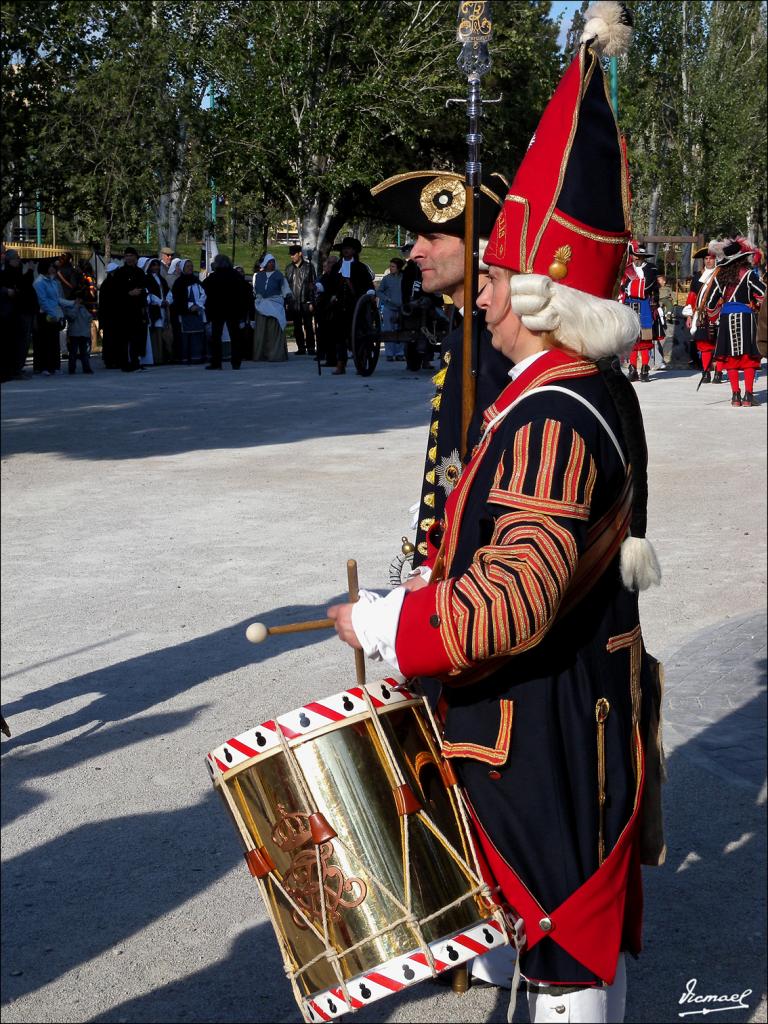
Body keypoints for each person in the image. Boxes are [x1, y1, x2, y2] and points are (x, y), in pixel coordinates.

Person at [329, 8, 665, 1023]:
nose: (481, 298)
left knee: (563, 948)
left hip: (548, 721)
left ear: (544, 294)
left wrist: (387, 623)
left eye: (502, 281)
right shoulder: (559, 392)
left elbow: (513, 603)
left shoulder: (557, 411)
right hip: (553, 706)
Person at [370, 169, 512, 563]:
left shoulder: (492, 341)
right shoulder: (471, 330)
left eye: (431, 238)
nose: (415, 252)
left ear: (477, 250)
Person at [706, 237, 766, 406]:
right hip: (746, 319)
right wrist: (755, 306)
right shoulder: (748, 275)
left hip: (726, 319)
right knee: (748, 357)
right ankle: (748, 396)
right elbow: (763, 294)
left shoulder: (720, 277)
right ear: (742, 258)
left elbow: (710, 304)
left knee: (731, 359)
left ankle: (735, 396)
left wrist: (716, 317)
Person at [324, 237, 374, 374]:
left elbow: (367, 285)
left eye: (349, 248)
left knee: (357, 336)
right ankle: (341, 364)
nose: (346, 250)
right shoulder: (336, 267)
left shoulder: (361, 267)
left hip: (356, 307)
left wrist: (368, 293)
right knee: (339, 336)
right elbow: (329, 285)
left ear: (354, 251)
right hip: (339, 307)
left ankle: (360, 362)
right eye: (344, 248)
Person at [682, 241, 724, 383]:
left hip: (718, 313)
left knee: (719, 344)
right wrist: (689, 315)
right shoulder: (697, 276)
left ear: (715, 259)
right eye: (706, 258)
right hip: (701, 314)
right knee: (703, 345)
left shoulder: (721, 274)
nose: (708, 260)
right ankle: (706, 372)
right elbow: (692, 297)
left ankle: (718, 372)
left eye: (711, 258)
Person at [619, 241, 658, 381]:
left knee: (645, 340)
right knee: (632, 340)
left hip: (645, 305)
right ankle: (633, 369)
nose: (636, 258)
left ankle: (645, 369)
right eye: (635, 255)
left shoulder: (651, 269)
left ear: (643, 257)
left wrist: (631, 287)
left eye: (639, 256)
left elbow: (645, 288)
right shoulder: (627, 269)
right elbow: (623, 287)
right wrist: (630, 287)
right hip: (629, 305)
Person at [202, 253, 248, 369]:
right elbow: (245, 291)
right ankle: (236, 362)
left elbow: (204, 289)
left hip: (217, 310)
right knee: (235, 336)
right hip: (233, 310)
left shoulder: (213, 277)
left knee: (216, 336)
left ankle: (216, 362)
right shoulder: (236, 276)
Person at [33, 258, 75, 375]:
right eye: (50, 266)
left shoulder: (53, 282)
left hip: (54, 315)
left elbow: (57, 299)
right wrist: (52, 314)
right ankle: (44, 367)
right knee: (45, 342)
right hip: (45, 315)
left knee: (54, 342)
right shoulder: (39, 282)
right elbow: (42, 301)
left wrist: (71, 303)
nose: (53, 268)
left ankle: (54, 366)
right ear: (45, 268)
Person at [0, 249, 37, 381]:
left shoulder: (17, 271)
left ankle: (16, 369)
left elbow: (25, 285)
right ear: (9, 260)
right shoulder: (7, 273)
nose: (18, 260)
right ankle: (14, 370)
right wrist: (30, 271)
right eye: (16, 258)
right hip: (14, 313)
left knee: (23, 342)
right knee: (18, 342)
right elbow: (22, 285)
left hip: (23, 310)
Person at [110, 248, 149, 372]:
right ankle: (124, 363)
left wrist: (141, 294)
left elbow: (144, 289)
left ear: (136, 257)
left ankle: (135, 361)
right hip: (124, 311)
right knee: (124, 339)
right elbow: (115, 292)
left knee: (136, 338)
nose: (129, 258)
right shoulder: (120, 273)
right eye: (127, 255)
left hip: (137, 310)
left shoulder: (140, 272)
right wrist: (129, 293)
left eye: (131, 255)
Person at [252, 254, 290, 361]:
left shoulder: (279, 275)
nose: (271, 264)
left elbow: (285, 289)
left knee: (273, 331)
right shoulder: (257, 276)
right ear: (265, 263)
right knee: (261, 331)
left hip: (275, 305)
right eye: (269, 262)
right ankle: (261, 354)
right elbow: (254, 290)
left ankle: (275, 355)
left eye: (273, 261)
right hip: (261, 305)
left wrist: (288, 297)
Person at [171, 259, 207, 364]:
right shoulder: (179, 283)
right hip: (185, 313)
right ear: (183, 268)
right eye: (187, 266)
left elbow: (203, 294)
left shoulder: (196, 281)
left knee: (197, 334)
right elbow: (178, 298)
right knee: (185, 336)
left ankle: (197, 357)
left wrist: (198, 305)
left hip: (198, 312)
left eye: (191, 266)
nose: (190, 268)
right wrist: (190, 306)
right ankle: (185, 358)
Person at [284, 245, 317, 355]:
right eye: (291, 255)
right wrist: (288, 302)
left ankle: (311, 347)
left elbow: (313, 285)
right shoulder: (289, 268)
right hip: (294, 301)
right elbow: (287, 286)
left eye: (294, 254)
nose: (292, 257)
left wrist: (312, 301)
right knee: (297, 326)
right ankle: (301, 347)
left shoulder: (309, 267)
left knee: (308, 325)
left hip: (305, 300)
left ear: (300, 254)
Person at [313, 254, 340, 367]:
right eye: (327, 263)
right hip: (325, 309)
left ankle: (336, 359)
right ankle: (327, 356)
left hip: (336, 309)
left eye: (330, 263)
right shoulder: (325, 277)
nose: (328, 265)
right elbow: (320, 288)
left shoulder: (338, 275)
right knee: (324, 333)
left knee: (334, 335)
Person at [145, 257, 171, 364]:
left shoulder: (161, 279)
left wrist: (167, 301)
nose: (156, 267)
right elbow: (149, 294)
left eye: (157, 265)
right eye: (153, 265)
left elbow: (168, 291)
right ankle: (155, 358)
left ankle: (162, 357)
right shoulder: (147, 279)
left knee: (162, 333)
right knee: (155, 333)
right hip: (154, 309)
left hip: (163, 309)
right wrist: (160, 302)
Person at [378, 258, 405, 360]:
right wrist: (386, 299)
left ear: (398, 268)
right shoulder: (386, 279)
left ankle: (399, 353)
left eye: (393, 266)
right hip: (389, 307)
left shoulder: (404, 278)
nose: (391, 268)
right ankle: (389, 353)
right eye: (390, 266)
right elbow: (379, 291)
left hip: (401, 308)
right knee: (388, 330)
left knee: (401, 330)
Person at [63, 286, 95, 374]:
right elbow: (71, 316)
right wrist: (76, 306)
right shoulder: (70, 307)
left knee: (84, 352)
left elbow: (89, 318)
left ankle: (86, 368)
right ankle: (72, 368)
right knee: (73, 352)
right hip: (74, 333)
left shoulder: (83, 308)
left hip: (83, 333)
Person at [97, 261, 121, 369]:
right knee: (112, 339)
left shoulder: (106, 284)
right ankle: (112, 360)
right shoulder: (111, 284)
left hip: (108, 316)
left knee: (110, 339)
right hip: (111, 316)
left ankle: (110, 360)